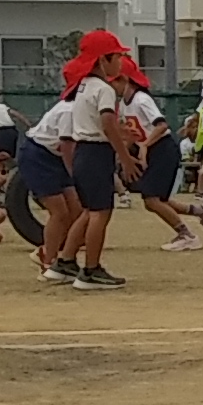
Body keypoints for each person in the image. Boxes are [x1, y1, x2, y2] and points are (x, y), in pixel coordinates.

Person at [50, 31, 141, 290]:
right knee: (101, 213)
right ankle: (91, 270)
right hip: (96, 153)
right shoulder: (104, 89)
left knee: (90, 211)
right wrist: (125, 156)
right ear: (104, 60)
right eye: (118, 56)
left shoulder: (82, 85)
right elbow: (106, 122)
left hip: (83, 153)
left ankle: (65, 261)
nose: (121, 61)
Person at [122, 67, 203, 251]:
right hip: (152, 150)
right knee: (156, 199)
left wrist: (145, 145)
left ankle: (187, 235)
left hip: (162, 149)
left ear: (125, 80)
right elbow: (132, 132)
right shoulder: (124, 103)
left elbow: (161, 125)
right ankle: (201, 211)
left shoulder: (141, 99)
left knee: (151, 199)